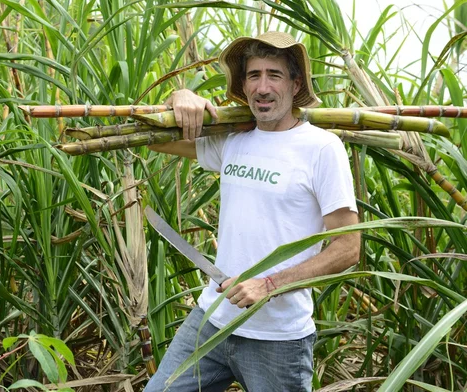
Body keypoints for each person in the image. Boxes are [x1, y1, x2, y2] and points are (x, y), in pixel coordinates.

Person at [145, 31, 360, 391]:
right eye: (253, 75)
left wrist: (269, 284)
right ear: (243, 86)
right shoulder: (234, 141)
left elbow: (348, 247)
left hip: (277, 340)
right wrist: (178, 98)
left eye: (273, 75)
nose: (262, 87)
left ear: (295, 84)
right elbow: (157, 140)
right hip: (211, 319)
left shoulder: (322, 148)